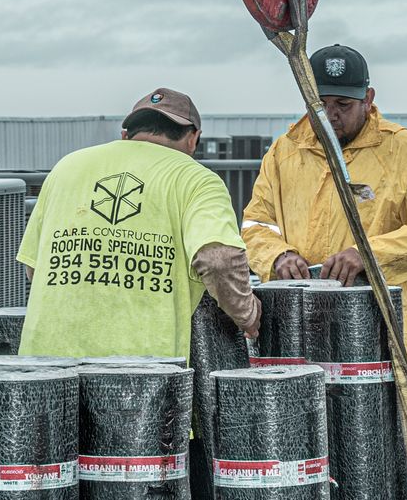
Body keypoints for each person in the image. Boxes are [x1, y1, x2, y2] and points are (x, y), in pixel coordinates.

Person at [239, 43, 407, 384]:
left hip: (378, 336)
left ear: (368, 99)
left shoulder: (405, 152)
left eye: (343, 105)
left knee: (380, 431)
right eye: (319, 105)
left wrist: (370, 256)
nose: (330, 116)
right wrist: (277, 256)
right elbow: (256, 223)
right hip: (301, 332)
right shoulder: (285, 151)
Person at [18, 87, 261, 357]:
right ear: (194, 139)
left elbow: (34, 267)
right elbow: (218, 259)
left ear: (125, 135)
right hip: (140, 372)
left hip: (44, 363)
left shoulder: (66, 167)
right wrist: (246, 314)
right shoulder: (197, 180)